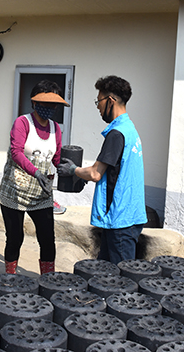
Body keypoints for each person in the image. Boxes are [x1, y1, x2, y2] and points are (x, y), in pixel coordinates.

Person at [58, 75, 147, 264]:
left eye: (99, 101)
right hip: (128, 215)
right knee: (105, 274)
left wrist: (73, 170)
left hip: (120, 220)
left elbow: (95, 173)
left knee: (121, 279)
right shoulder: (130, 129)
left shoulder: (116, 134)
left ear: (111, 100)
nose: (98, 107)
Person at [0, 80, 69, 275]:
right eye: (45, 104)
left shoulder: (56, 129)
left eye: (53, 105)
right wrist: (35, 171)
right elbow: (16, 152)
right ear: (35, 103)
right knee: (15, 237)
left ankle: (48, 278)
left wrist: (72, 171)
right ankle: (10, 277)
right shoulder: (23, 123)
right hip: (15, 192)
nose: (49, 109)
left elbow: (57, 158)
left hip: (42, 194)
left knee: (47, 238)